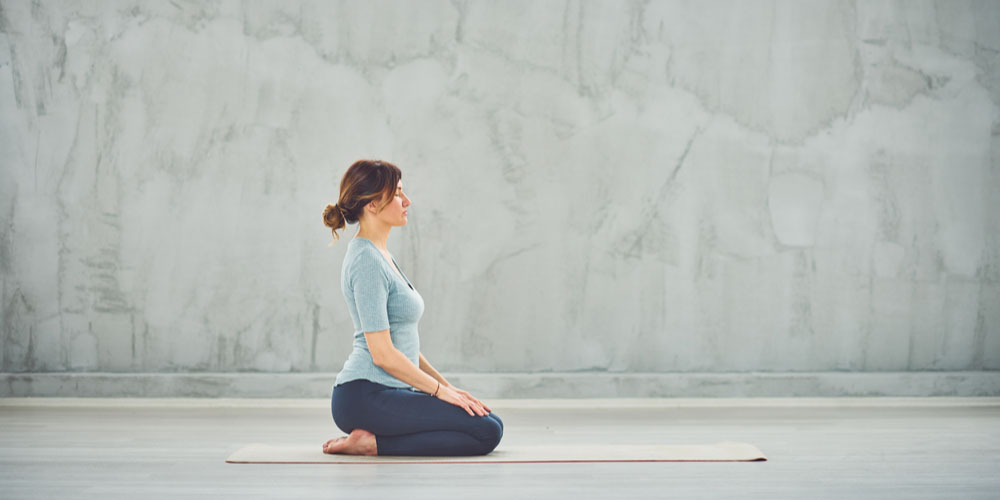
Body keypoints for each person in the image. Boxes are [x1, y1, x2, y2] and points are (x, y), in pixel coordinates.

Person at [319, 159, 503, 456]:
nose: (407, 201)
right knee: (486, 432)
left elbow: (402, 345)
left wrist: (449, 388)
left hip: (390, 390)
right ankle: (371, 444)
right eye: (397, 193)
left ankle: (374, 440)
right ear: (373, 206)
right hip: (364, 394)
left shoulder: (380, 255)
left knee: (487, 420)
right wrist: (439, 392)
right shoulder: (366, 261)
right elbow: (381, 353)